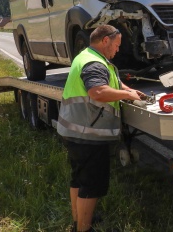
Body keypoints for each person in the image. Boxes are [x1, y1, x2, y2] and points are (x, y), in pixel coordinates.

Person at [57, 25, 144, 232]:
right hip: (89, 134)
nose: (118, 50)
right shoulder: (95, 63)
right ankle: (84, 229)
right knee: (92, 184)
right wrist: (128, 96)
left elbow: (107, 82)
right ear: (105, 41)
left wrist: (127, 89)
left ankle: (78, 221)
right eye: (116, 45)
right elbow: (97, 91)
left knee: (78, 178)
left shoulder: (86, 56)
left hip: (74, 130)